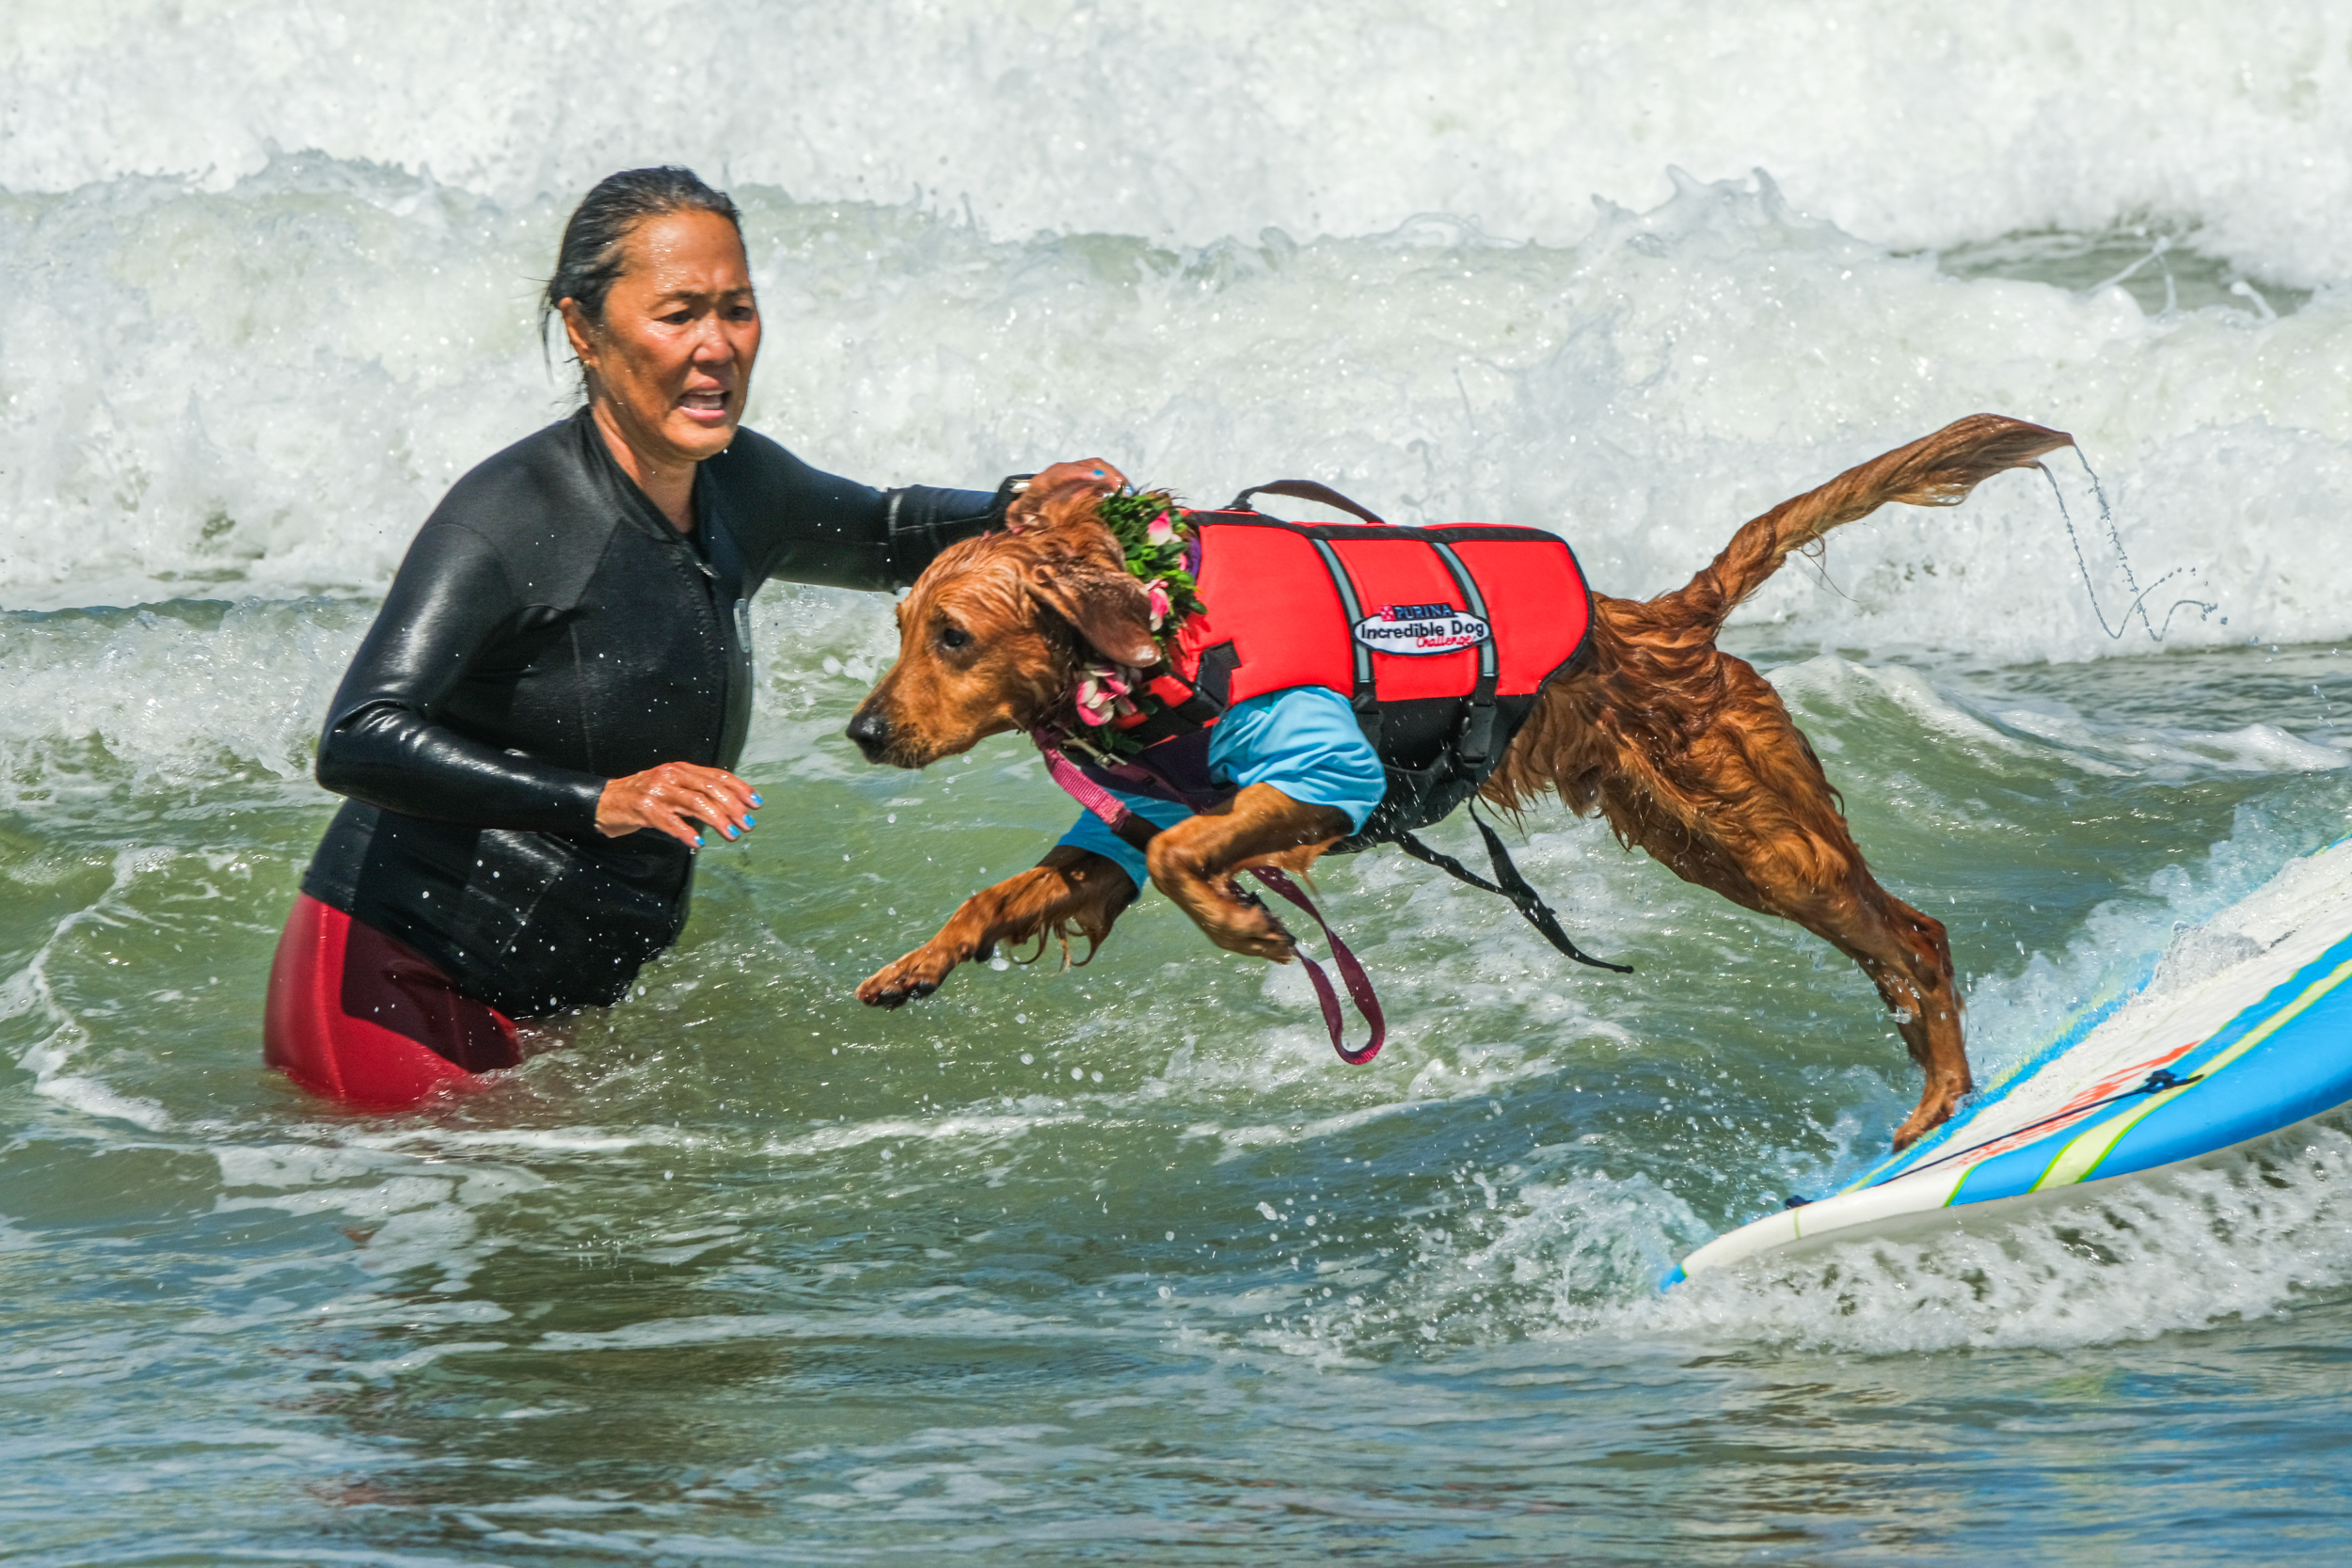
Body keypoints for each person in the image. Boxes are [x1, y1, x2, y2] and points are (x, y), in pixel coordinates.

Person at [262, 166, 1122, 1107]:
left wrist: (1018, 506)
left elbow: (883, 529)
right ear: (584, 329)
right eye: (678, 315)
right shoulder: (510, 517)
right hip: (400, 989)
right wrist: (605, 798)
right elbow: (360, 735)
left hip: (564, 1001)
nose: (716, 346)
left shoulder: (739, 485)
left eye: (737, 310)